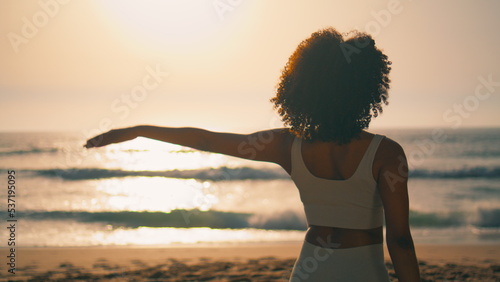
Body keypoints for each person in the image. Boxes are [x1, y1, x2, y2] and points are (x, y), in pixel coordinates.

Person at [84, 27, 420, 281]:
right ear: (367, 88)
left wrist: (137, 130)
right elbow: (400, 241)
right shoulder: (387, 153)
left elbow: (206, 140)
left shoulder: (287, 146)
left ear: (303, 88)